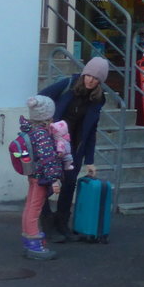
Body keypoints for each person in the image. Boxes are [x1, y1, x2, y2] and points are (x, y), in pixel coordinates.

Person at [38, 56, 109, 242]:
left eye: (96, 78)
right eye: (89, 76)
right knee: (46, 184)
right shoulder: (68, 84)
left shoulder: (98, 99)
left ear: (100, 81)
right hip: (53, 143)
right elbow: (41, 97)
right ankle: (46, 223)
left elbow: (91, 130)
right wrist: (46, 121)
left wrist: (90, 160)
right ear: (84, 73)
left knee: (69, 185)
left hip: (75, 147)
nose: (90, 80)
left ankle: (62, 223)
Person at [20, 96, 64, 261]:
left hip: (33, 175)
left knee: (29, 207)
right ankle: (35, 244)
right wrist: (54, 179)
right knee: (35, 209)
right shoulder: (42, 134)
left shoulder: (30, 129)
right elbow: (48, 159)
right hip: (41, 177)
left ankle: (27, 240)